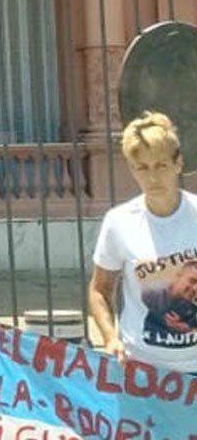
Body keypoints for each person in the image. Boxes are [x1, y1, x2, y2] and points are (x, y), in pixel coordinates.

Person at [90, 111, 197, 371]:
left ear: (178, 163)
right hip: (141, 370)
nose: (153, 177)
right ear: (132, 170)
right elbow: (99, 290)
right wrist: (110, 338)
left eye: (161, 165)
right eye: (143, 168)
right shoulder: (119, 221)